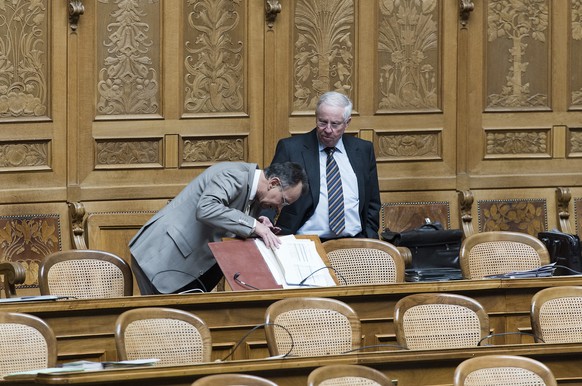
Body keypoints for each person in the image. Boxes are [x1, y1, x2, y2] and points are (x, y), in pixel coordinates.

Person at [129, 161, 309, 295]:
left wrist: (257, 224)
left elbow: (231, 218)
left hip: (186, 265)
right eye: (283, 201)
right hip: (162, 256)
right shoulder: (234, 175)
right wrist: (254, 225)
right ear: (273, 183)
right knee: (165, 334)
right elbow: (206, 208)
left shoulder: (255, 194)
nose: (279, 209)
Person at [269, 91, 380, 241]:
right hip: (305, 241)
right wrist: (266, 224)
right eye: (322, 122)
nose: (328, 130)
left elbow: (372, 201)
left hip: (354, 242)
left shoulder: (363, 150)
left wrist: (370, 236)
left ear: (347, 123)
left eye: (335, 124)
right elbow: (269, 192)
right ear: (316, 118)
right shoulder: (291, 149)